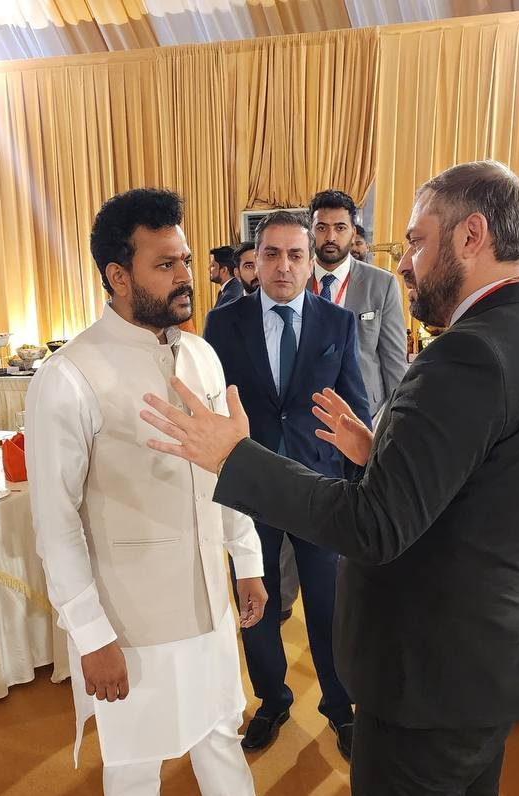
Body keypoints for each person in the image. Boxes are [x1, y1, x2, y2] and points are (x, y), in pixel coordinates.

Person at [140, 160, 519, 795]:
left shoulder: (467, 354)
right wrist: (379, 452)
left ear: (471, 236)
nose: (403, 262)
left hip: (426, 672)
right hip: (481, 660)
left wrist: (234, 458)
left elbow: (374, 526)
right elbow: (483, 486)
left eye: (416, 241)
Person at [25, 188, 265, 795]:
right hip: (131, 620)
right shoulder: (69, 376)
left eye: (184, 260)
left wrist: (247, 560)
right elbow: (55, 522)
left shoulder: (202, 357)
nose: (185, 277)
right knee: (135, 763)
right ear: (118, 276)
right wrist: (90, 635)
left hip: (210, 602)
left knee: (221, 733)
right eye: (165, 265)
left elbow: (226, 470)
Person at [204, 210, 370, 759]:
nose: (283, 266)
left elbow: (354, 409)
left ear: (309, 261)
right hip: (250, 488)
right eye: (271, 254)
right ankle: (271, 700)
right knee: (257, 600)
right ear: (255, 260)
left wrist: (359, 483)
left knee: (329, 607)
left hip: (319, 490)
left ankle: (340, 707)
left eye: (295, 255)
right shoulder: (223, 324)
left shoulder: (337, 323)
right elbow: (214, 407)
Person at [308, 189, 408, 416]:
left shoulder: (381, 284)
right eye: (321, 228)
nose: (331, 237)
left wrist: (397, 419)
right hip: (307, 410)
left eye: (340, 228)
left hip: (365, 411)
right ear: (310, 231)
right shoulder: (294, 282)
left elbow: (394, 361)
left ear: (353, 232)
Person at [209, 245, 244, 310]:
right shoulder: (231, 288)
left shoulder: (230, 295)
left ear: (224, 270)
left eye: (213, 265)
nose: (209, 268)